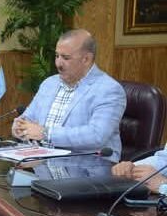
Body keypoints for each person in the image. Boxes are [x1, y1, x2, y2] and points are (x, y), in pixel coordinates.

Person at [11, 29, 126, 161]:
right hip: (43, 162)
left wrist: (46, 133)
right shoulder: (49, 83)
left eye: (66, 58)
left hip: (88, 166)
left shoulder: (108, 90)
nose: (58, 63)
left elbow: (96, 135)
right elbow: (28, 118)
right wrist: (19, 126)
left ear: (86, 59)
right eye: (57, 56)